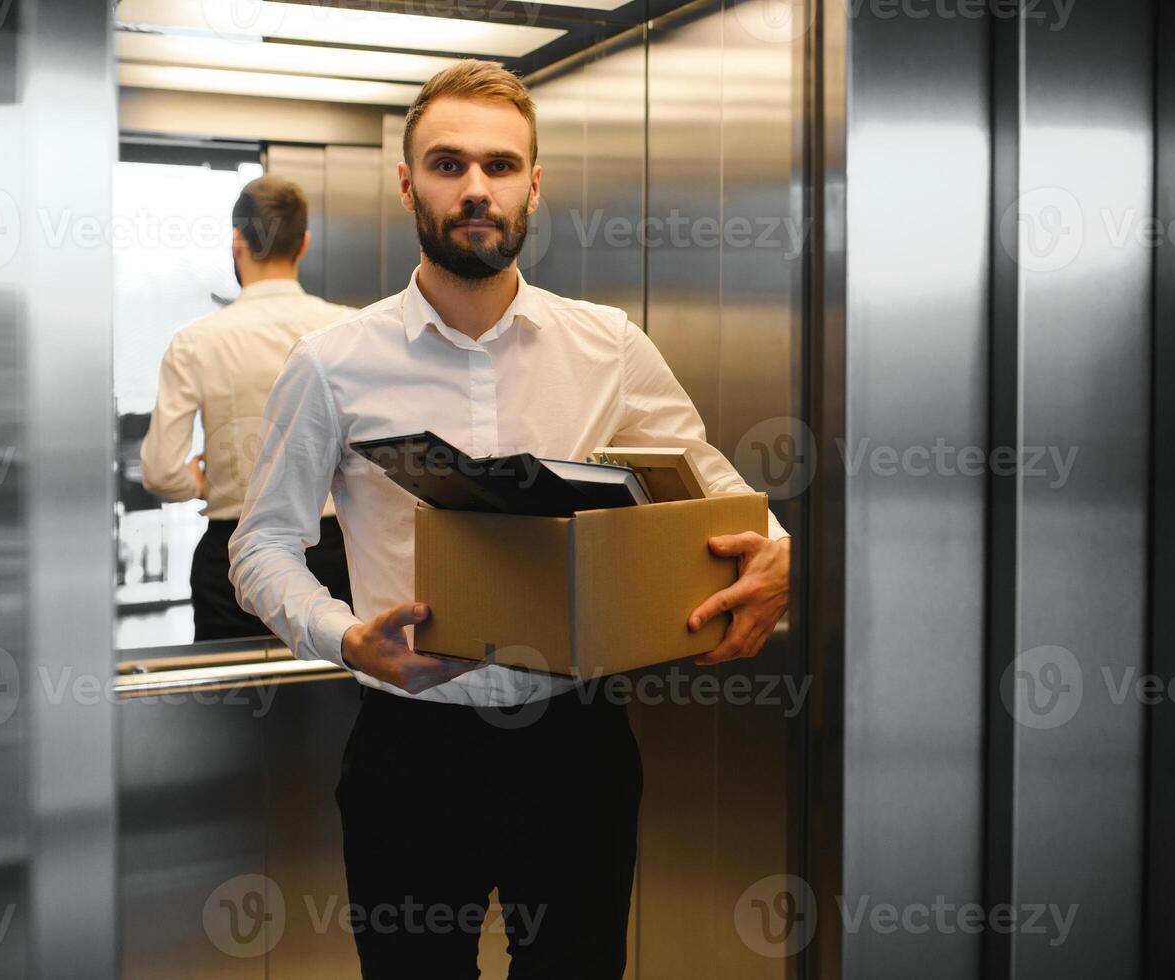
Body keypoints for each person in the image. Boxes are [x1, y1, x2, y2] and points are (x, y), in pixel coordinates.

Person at [228, 61, 791, 978]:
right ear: (408, 184)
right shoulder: (332, 362)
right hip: (411, 749)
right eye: (447, 164)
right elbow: (262, 545)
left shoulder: (606, 344)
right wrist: (345, 638)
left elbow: (718, 495)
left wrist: (776, 554)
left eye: (500, 165)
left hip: (576, 744)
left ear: (535, 183)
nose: (475, 188)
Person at [141, 176, 357, 641]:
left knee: (235, 703)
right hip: (336, 553)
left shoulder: (195, 341)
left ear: (238, 242)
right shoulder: (350, 329)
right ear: (303, 243)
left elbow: (159, 471)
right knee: (335, 698)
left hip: (232, 559)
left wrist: (195, 480)